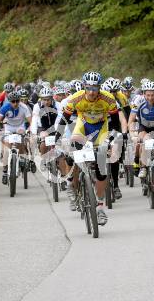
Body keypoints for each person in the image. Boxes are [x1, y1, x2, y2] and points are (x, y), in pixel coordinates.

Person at [55, 71, 121, 226]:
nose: (92, 92)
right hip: (83, 126)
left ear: (99, 87)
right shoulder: (75, 98)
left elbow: (116, 124)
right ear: (84, 86)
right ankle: (72, 182)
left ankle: (99, 205)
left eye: (95, 88)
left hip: (101, 128)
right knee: (71, 151)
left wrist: (111, 140)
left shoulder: (108, 99)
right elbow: (65, 120)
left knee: (101, 168)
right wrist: (57, 137)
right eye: (89, 88)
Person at [0, 90, 32, 185]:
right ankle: (5, 171)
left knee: (22, 141)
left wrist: (30, 129)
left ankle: (23, 158)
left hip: (20, 127)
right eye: (13, 101)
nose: (15, 103)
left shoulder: (24, 107)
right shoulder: (5, 107)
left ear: (19, 100)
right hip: (9, 127)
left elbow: (31, 121)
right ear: (9, 101)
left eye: (17, 101)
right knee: (6, 148)